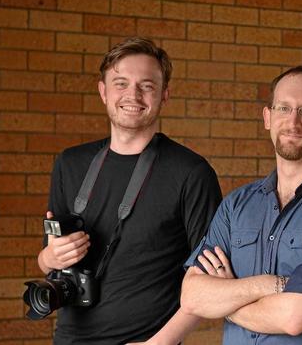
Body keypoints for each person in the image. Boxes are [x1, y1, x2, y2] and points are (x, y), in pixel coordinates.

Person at [36, 37, 222, 344]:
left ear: (165, 95)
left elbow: (211, 282)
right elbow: (46, 262)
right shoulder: (70, 163)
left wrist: (159, 344)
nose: (132, 94)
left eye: (147, 85)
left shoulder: (192, 173)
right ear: (103, 92)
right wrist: (49, 256)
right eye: (120, 83)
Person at [177, 65, 302, 344]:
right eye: (283, 109)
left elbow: (294, 317)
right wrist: (268, 286)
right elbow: (192, 296)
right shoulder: (236, 205)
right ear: (267, 117)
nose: (293, 122)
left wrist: (227, 298)